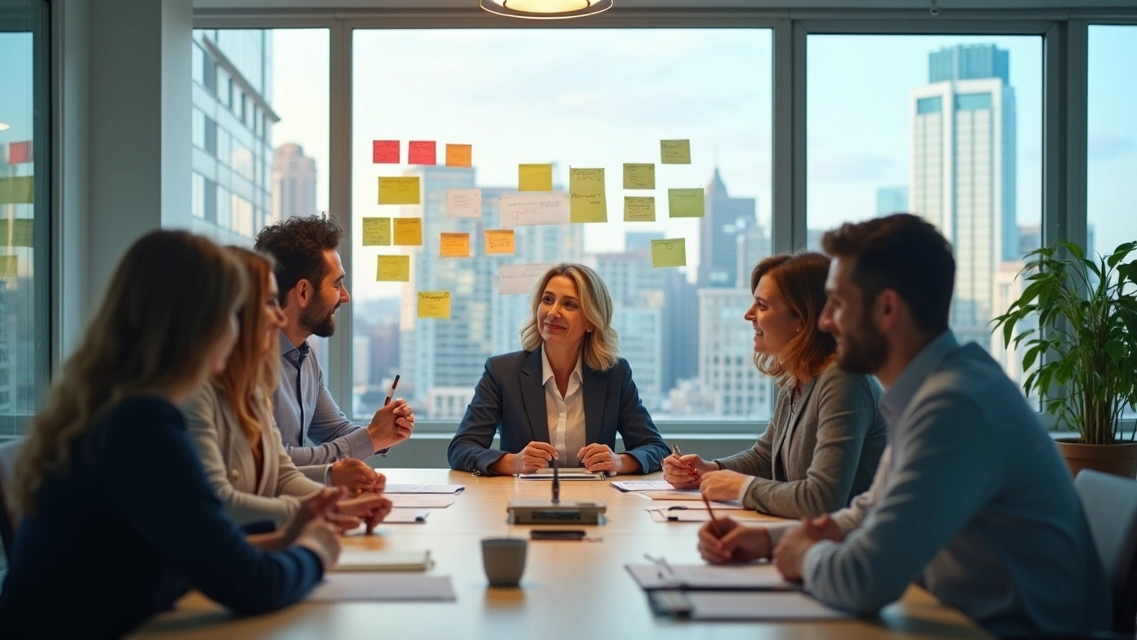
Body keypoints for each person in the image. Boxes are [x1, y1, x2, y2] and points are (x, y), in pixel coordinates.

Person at [696, 214, 1112, 637]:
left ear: (887, 308)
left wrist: (802, 556)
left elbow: (865, 580)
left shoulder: (955, 406)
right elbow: (868, 513)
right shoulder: (932, 391)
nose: (825, 322)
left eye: (837, 304)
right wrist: (769, 541)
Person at [0, 231, 350, 639]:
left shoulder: (118, 413)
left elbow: (202, 551)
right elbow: (250, 584)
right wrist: (317, 551)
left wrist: (289, 536)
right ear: (199, 322)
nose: (267, 321)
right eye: (238, 311)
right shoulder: (141, 427)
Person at [662, 253, 886, 518]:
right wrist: (711, 469)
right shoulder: (798, 377)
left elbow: (823, 499)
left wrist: (741, 487)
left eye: (762, 305)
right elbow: (767, 457)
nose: (748, 314)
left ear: (802, 320)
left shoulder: (844, 379)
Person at [183, 246, 393, 528]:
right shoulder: (194, 394)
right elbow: (222, 504)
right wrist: (323, 508)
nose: (279, 317)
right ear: (231, 313)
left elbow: (280, 473)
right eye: (270, 302)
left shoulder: (254, 387)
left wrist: (340, 503)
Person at [448, 263, 669, 476]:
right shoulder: (502, 371)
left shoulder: (615, 374)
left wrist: (619, 462)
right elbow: (461, 448)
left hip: (594, 500)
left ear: (592, 320)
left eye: (570, 304)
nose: (553, 312)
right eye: (547, 300)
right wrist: (512, 462)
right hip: (522, 500)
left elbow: (656, 449)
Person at [253, 214, 413, 472]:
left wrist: (384, 432)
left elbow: (333, 431)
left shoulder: (304, 356)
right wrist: (371, 437)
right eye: (337, 284)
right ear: (303, 292)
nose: (345, 296)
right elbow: (278, 462)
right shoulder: (250, 363)